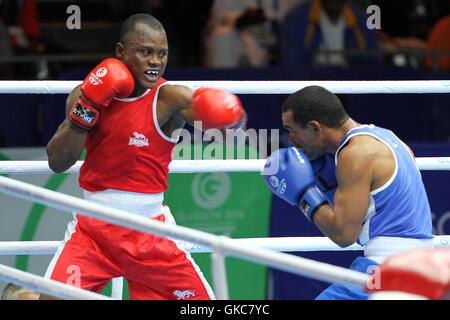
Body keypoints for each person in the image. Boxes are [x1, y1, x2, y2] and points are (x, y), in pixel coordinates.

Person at [43, 13, 246, 300]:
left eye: (162, 54)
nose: (155, 61)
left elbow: (230, 124)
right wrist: (87, 106)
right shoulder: (85, 92)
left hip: (151, 231)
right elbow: (58, 161)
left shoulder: (169, 98)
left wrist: (231, 116)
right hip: (93, 231)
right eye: (145, 52)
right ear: (120, 52)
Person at [262, 85, 434, 300]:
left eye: (293, 130)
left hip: (387, 267)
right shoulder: (386, 137)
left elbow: (343, 235)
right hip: (421, 265)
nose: (291, 140)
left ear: (316, 128)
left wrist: (304, 194)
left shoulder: (354, 154)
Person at [280, 0, 379, 66]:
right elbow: (291, 62)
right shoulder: (297, 19)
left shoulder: (361, 20)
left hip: (349, 84)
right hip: (312, 84)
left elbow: (372, 61)